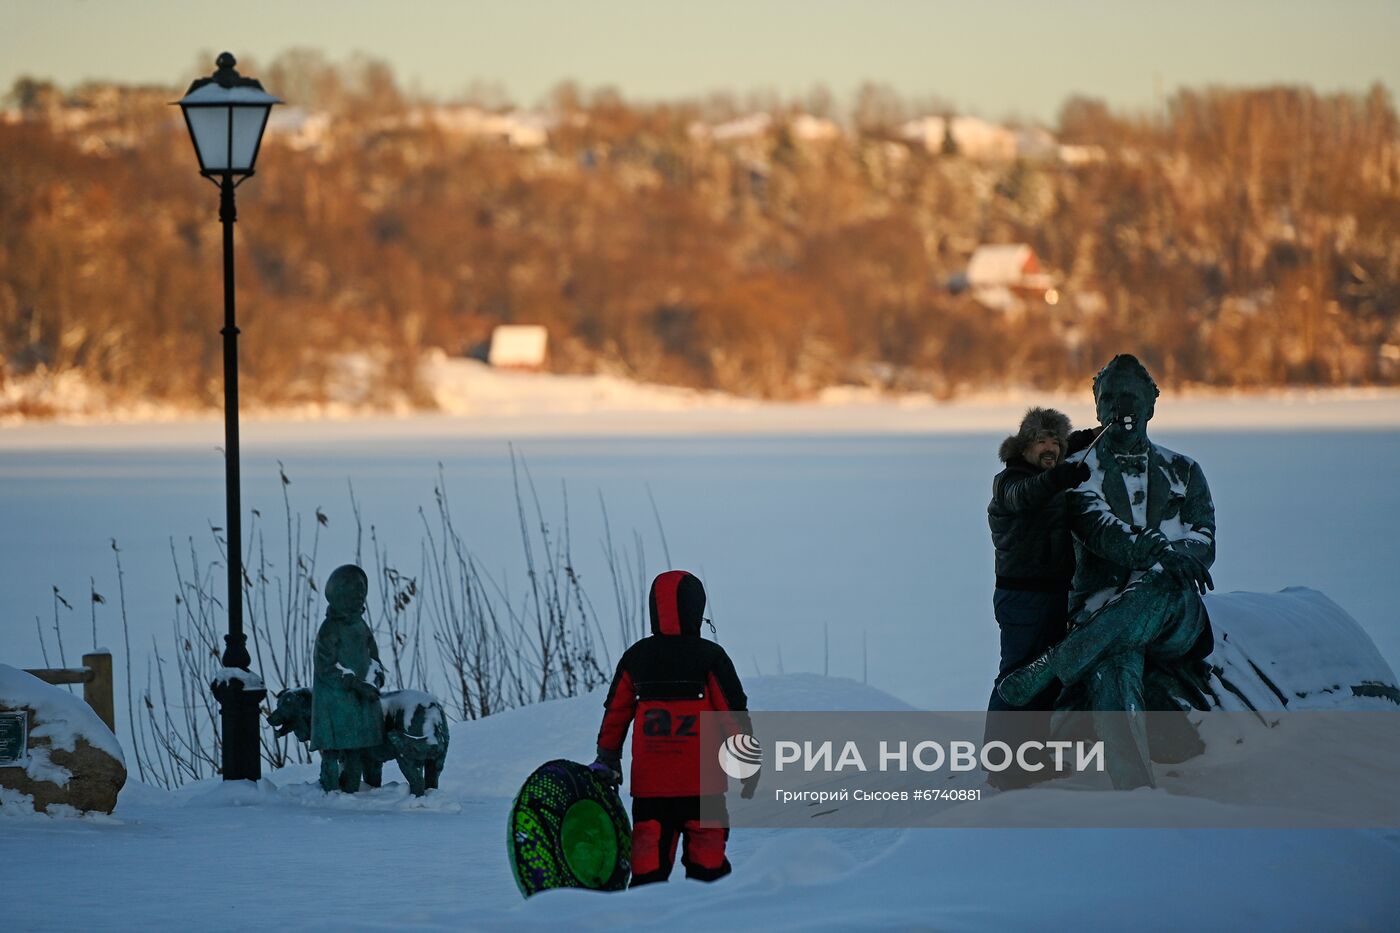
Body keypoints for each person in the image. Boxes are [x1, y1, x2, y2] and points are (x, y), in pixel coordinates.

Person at [997, 355, 1216, 789]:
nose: (1122, 407)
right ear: (1097, 406)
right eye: (1111, 398)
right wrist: (1156, 549)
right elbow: (1099, 529)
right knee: (1112, 663)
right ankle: (1136, 792)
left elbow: (1204, 539)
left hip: (1174, 613)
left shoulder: (1185, 470)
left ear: (1153, 404)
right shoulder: (1078, 470)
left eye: (1132, 397)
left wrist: (1172, 556)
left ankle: (1059, 661)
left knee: (1158, 582)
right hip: (1100, 611)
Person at [592, 570, 755, 886]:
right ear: (696, 609)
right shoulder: (712, 657)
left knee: (647, 875)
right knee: (709, 875)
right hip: (703, 789)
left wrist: (608, 757)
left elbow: (615, 714)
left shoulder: (636, 657)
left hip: (651, 792)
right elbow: (732, 714)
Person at [984, 408, 1093, 787]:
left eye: (1056, 442)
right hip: (1022, 598)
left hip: (1054, 595)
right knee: (1018, 676)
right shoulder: (1010, 481)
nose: (1049, 448)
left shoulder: (1048, 473)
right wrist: (1060, 476)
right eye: (1041, 441)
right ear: (1024, 446)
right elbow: (1027, 494)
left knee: (1046, 679)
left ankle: (1030, 759)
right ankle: (1003, 765)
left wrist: (1086, 438)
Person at [310, 564, 386, 793]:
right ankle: (334, 792)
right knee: (337, 752)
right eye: (353, 595)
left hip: (361, 700)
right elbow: (326, 667)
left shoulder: (361, 626)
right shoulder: (330, 628)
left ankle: (359, 789)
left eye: (361, 595)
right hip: (336, 703)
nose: (358, 600)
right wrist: (355, 684)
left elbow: (373, 657)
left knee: (361, 751)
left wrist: (376, 677)